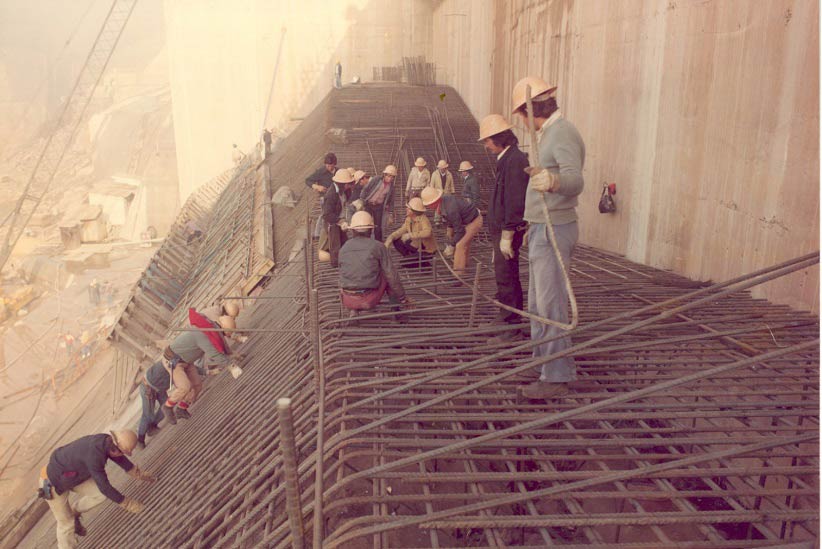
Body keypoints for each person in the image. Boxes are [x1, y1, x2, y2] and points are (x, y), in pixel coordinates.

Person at [511, 76, 585, 399]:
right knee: (538, 303)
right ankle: (544, 362)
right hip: (542, 227)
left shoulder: (563, 133)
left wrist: (552, 182)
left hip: (555, 228)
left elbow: (575, 181)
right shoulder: (547, 135)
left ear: (529, 111)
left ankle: (556, 376)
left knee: (551, 304)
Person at [39, 430, 154, 548]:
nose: (122, 455)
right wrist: (129, 504)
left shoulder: (107, 442)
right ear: (115, 449)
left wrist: (138, 473)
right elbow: (105, 487)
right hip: (52, 482)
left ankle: (76, 511)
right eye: (122, 452)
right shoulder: (94, 457)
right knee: (66, 524)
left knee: (99, 494)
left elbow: (120, 459)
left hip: (73, 475)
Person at [479, 114, 529, 342]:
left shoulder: (515, 160)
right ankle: (506, 317)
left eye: (488, 140)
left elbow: (515, 200)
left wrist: (508, 233)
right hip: (501, 230)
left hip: (506, 231)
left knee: (507, 276)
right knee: (505, 275)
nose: (486, 145)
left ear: (499, 138)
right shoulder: (506, 159)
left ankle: (511, 327)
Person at [161, 309, 235, 424]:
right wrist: (231, 365)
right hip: (173, 361)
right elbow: (214, 353)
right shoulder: (204, 335)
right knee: (185, 387)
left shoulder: (209, 330)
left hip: (186, 361)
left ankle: (181, 408)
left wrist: (232, 355)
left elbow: (220, 348)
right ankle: (168, 406)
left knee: (197, 385)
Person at [339, 211, 411, 314]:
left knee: (351, 271)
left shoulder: (344, 248)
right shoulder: (378, 246)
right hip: (369, 299)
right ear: (371, 230)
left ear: (352, 230)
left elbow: (342, 272)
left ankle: (354, 310)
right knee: (388, 275)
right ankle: (397, 311)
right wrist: (403, 297)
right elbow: (392, 276)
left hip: (347, 299)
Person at [420, 186, 483, 279]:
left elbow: (460, 231)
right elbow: (451, 220)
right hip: (466, 220)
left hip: (474, 221)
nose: (427, 206)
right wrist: (449, 232)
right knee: (456, 239)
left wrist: (451, 245)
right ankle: (463, 264)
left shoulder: (450, 209)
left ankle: (458, 275)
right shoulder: (443, 201)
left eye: (428, 204)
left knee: (460, 245)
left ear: (434, 202)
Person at [384, 197, 437, 268]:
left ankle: (425, 264)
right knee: (396, 241)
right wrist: (390, 238)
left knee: (404, 263)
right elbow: (400, 231)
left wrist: (410, 235)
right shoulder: (409, 219)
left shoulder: (423, 219)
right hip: (416, 246)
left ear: (414, 211)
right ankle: (411, 257)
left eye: (408, 208)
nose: (406, 209)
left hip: (426, 251)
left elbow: (428, 232)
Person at [322, 168, 354, 267]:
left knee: (344, 241)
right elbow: (326, 214)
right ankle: (335, 265)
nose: (349, 185)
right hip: (332, 222)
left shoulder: (343, 191)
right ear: (342, 183)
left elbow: (345, 204)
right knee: (335, 245)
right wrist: (339, 221)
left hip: (340, 219)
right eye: (347, 184)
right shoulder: (331, 195)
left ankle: (345, 262)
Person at [359, 164, 397, 242]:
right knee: (367, 223)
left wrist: (390, 213)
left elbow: (391, 201)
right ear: (384, 175)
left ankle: (378, 243)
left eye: (392, 177)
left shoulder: (391, 187)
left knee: (378, 227)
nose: (390, 178)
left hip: (379, 206)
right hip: (369, 204)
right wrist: (362, 200)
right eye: (388, 176)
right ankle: (366, 241)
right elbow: (366, 189)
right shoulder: (376, 179)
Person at [305, 153, 338, 239]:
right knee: (324, 213)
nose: (329, 168)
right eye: (327, 166)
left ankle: (332, 230)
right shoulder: (321, 172)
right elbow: (308, 181)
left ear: (334, 164)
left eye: (331, 166)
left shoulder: (339, 172)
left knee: (334, 214)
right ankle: (318, 234)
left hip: (336, 198)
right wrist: (317, 186)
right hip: (325, 197)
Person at [136, 361, 168, 448]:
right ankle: (140, 439)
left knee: (167, 404)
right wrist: (148, 388)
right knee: (147, 415)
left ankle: (152, 426)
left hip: (159, 386)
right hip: (148, 387)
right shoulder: (168, 362)